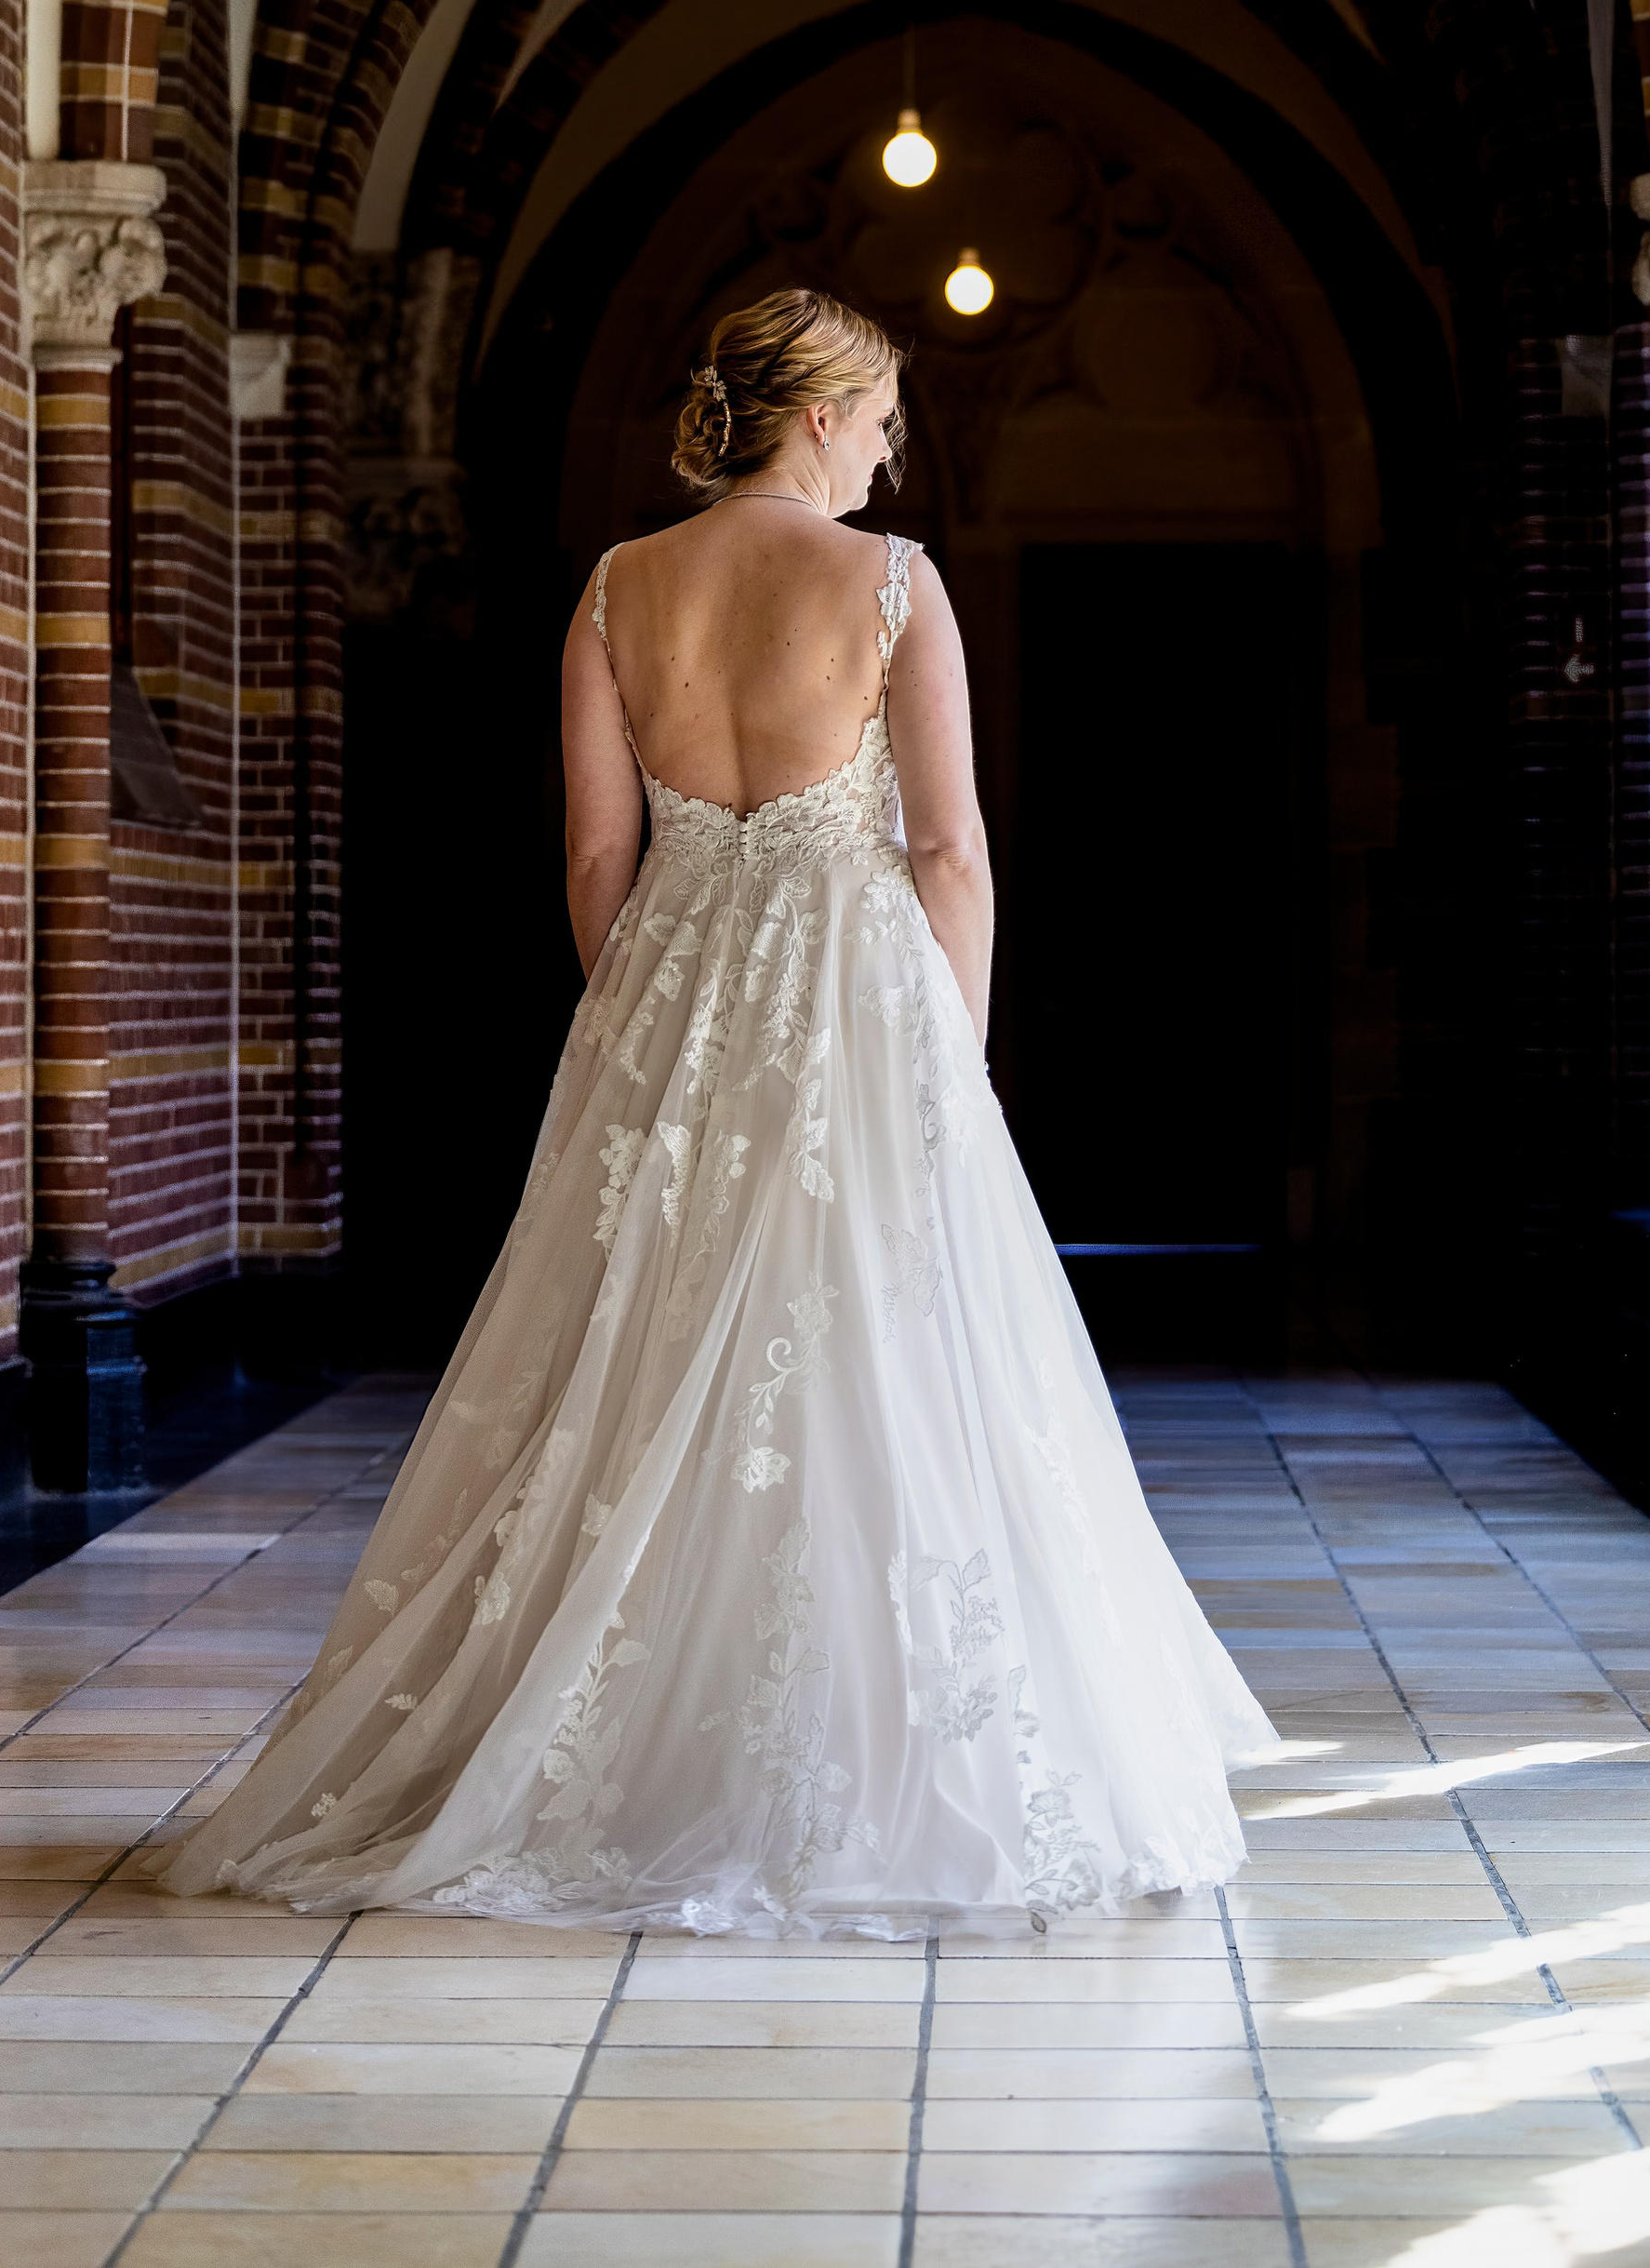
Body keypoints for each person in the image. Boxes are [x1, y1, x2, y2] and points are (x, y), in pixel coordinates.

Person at [163, 285, 1273, 1936]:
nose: (894, 451)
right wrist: (945, 1064)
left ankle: (619, 1739)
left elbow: (597, 861)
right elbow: (949, 851)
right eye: (885, 415)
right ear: (816, 410)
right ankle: (865, 1753)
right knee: (881, 1356)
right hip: (856, 1000)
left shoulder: (617, 590)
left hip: (667, 999)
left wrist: (658, 1024)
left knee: (647, 1358)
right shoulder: (895, 587)